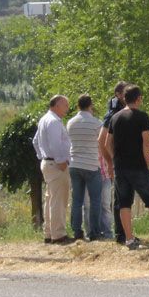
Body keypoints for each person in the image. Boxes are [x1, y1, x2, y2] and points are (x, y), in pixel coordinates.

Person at [104, 84, 149, 249]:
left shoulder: (115, 118)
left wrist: (115, 158)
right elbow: (147, 141)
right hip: (137, 166)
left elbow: (107, 143)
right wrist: (148, 159)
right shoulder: (142, 117)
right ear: (138, 99)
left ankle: (129, 239)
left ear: (124, 98)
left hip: (120, 167)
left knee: (124, 202)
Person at [32, 95, 73, 245]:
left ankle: (49, 233)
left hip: (48, 163)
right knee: (58, 200)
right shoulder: (54, 121)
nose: (67, 109)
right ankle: (59, 235)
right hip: (56, 165)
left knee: (50, 199)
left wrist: (42, 156)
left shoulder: (44, 119)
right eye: (65, 106)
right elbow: (56, 144)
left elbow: (35, 141)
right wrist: (61, 161)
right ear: (56, 105)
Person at [66, 94, 104, 241]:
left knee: (77, 200)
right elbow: (101, 142)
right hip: (91, 164)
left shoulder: (70, 123)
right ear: (91, 105)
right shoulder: (96, 123)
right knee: (95, 200)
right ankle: (94, 232)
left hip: (75, 164)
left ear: (78, 105)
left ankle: (77, 231)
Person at [97, 81, 127, 243]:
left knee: (124, 198)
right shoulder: (113, 114)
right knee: (121, 198)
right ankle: (121, 234)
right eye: (125, 92)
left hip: (125, 162)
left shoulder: (122, 111)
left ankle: (124, 233)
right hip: (120, 163)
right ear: (118, 95)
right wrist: (110, 162)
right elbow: (101, 141)